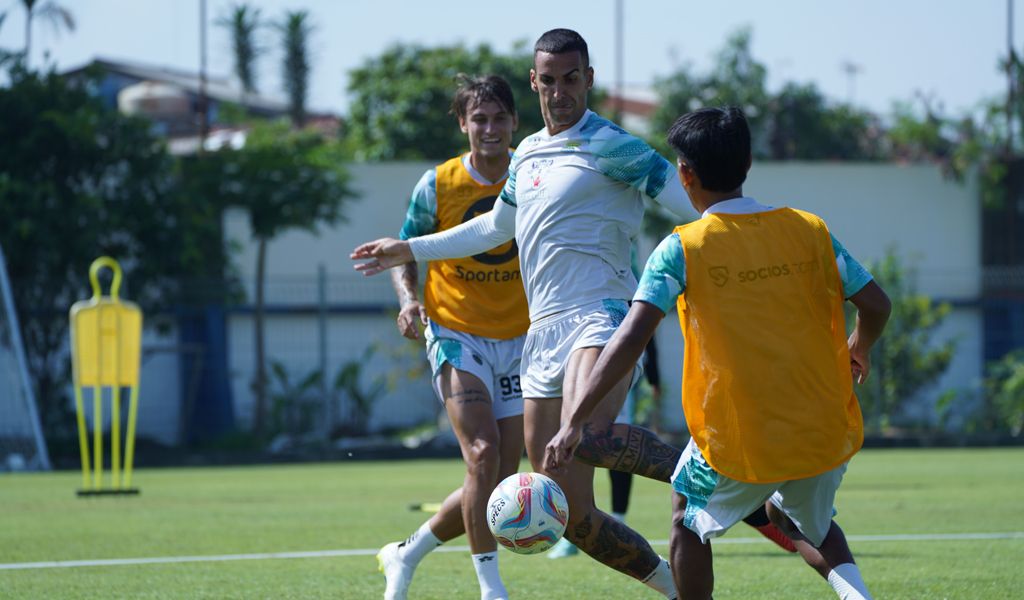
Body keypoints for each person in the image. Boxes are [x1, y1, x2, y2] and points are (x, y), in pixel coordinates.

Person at [355, 28, 692, 598]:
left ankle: (716, 468)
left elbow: (691, 211)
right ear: (535, 82)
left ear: (589, 79)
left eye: (571, 79)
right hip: (540, 337)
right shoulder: (529, 153)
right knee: (572, 513)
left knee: (587, 433)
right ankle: (681, 590)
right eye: (549, 80)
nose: (560, 91)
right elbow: (494, 228)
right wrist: (408, 249)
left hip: (601, 315)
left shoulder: (616, 146)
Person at [543, 106, 891, 600]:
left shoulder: (683, 247)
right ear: (748, 161)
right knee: (796, 519)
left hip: (739, 432)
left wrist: (574, 418)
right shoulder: (808, 229)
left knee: (687, 519)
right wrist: (861, 345)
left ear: (684, 174)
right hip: (824, 423)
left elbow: (630, 337)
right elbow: (877, 304)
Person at [375, 75, 527, 600]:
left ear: (514, 123)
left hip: (521, 341)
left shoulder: (531, 179)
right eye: (478, 119)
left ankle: (408, 552)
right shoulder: (437, 184)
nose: (489, 128)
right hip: (456, 332)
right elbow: (404, 250)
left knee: (500, 479)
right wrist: (408, 300)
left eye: (498, 117)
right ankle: (491, 588)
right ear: (463, 124)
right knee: (482, 455)